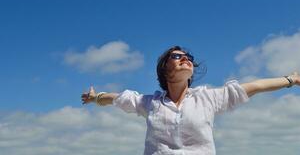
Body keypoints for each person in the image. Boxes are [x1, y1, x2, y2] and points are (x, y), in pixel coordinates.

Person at [81, 46, 300, 155]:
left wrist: (290, 79)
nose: (185, 58)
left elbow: (254, 87)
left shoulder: (208, 98)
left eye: (188, 57)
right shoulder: (151, 103)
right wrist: (95, 97)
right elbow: (118, 99)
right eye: (176, 56)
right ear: (164, 70)